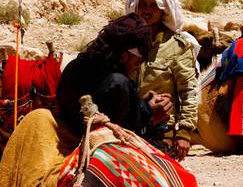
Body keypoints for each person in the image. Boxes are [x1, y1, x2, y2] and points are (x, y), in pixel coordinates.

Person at [55, 13, 172, 142]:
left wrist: (142, 104)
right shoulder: (117, 83)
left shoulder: (75, 66)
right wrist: (152, 120)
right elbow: (122, 134)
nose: (137, 68)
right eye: (137, 62)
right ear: (124, 57)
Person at [124, 0, 200, 159]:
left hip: (161, 132)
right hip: (127, 129)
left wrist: (184, 133)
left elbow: (189, 91)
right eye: (143, 4)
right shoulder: (126, 41)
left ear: (162, 10)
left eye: (153, 6)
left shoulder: (178, 46)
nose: (147, 10)